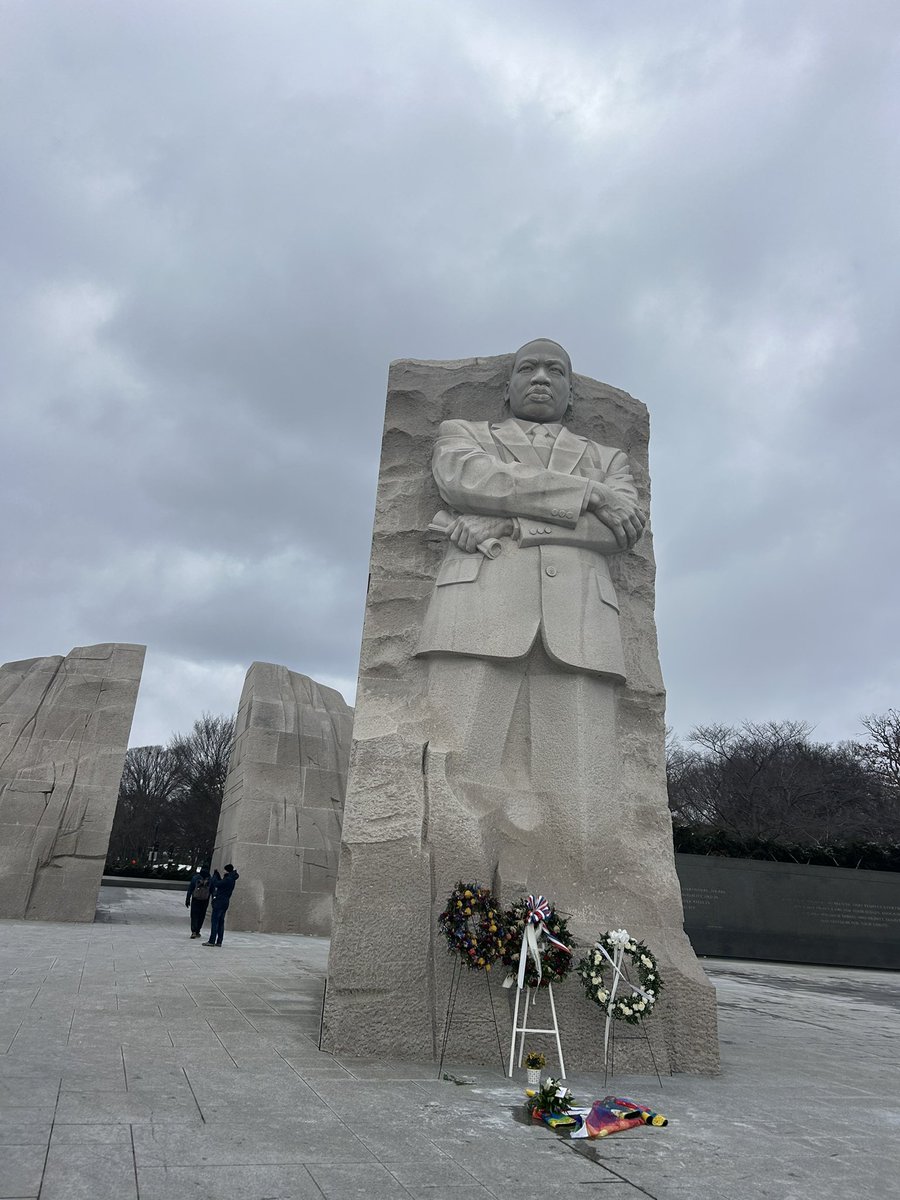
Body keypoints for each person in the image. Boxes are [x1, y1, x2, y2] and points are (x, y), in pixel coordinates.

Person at [416, 337, 647, 908]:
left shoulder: (611, 458)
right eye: (528, 368)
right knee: (453, 776)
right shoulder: (464, 434)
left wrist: (514, 525)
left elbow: (619, 530)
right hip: (475, 615)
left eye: (555, 370)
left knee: (582, 795)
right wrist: (586, 493)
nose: (541, 377)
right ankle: (443, 916)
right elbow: (467, 481)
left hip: (582, 627)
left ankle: (580, 921)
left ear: (571, 393)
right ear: (507, 386)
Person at [203, 864, 239, 947]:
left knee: (215, 922)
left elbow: (217, 884)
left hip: (219, 902)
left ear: (227, 870)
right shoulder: (232, 879)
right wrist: (218, 876)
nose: (223, 871)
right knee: (221, 922)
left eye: (224, 870)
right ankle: (219, 941)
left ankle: (212, 941)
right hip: (225, 902)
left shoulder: (228, 879)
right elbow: (221, 883)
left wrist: (215, 876)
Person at [185, 864, 211, 939]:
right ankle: (198, 931)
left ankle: (193, 931)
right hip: (205, 900)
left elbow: (190, 889)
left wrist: (187, 899)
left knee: (194, 915)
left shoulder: (195, 878)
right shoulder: (209, 879)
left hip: (195, 899)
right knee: (201, 916)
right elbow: (212, 890)